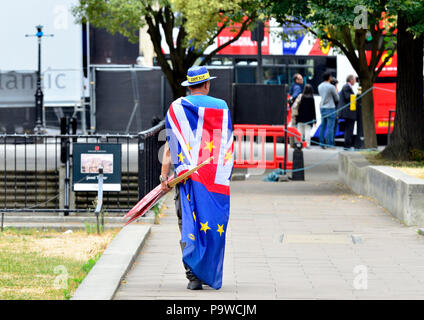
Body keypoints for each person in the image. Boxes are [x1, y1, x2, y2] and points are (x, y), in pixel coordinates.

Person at [160, 66, 233, 291]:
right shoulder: (222, 107)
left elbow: (171, 147)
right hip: (214, 180)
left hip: (187, 178)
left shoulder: (176, 108)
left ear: (189, 86)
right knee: (213, 224)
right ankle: (210, 269)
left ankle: (193, 276)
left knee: (187, 223)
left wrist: (164, 176)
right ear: (207, 84)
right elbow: (227, 145)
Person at [318, 72, 339, 148]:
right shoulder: (331, 87)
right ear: (329, 77)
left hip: (322, 107)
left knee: (323, 126)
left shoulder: (320, 86)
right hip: (330, 108)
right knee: (330, 127)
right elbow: (337, 98)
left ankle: (321, 143)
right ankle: (329, 144)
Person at [338, 75, 357, 149]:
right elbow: (348, 97)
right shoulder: (346, 87)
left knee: (348, 128)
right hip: (348, 113)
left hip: (348, 112)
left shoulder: (347, 87)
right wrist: (356, 97)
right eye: (354, 79)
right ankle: (347, 145)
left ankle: (348, 144)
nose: (355, 81)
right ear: (351, 80)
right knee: (349, 129)